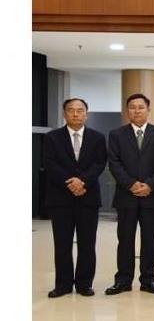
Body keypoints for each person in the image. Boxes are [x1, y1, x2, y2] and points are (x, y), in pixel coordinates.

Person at [43, 98, 106, 298]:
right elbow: (49, 163)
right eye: (71, 110)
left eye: (80, 110)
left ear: (86, 114)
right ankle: (62, 285)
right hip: (60, 198)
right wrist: (71, 183)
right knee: (62, 243)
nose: (76, 114)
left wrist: (83, 181)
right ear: (64, 114)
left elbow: (99, 163)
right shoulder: (52, 137)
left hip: (88, 197)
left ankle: (84, 284)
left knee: (87, 243)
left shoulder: (97, 137)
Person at [105, 93, 154, 295]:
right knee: (125, 240)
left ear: (148, 110)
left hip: (152, 196)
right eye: (132, 107)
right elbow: (114, 163)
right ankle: (123, 280)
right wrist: (131, 184)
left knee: (151, 240)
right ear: (127, 110)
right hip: (126, 196)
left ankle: (148, 280)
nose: (137, 111)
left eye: (141, 107)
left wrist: (150, 185)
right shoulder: (116, 134)